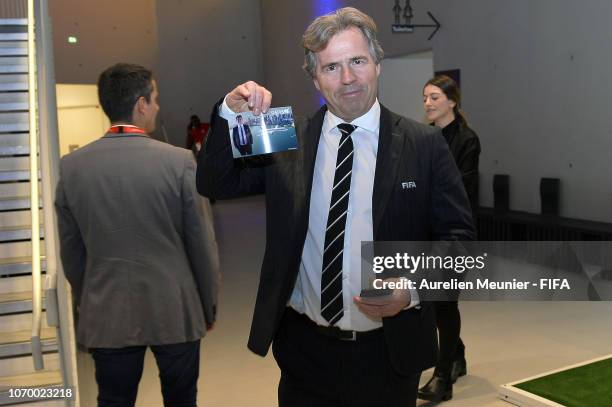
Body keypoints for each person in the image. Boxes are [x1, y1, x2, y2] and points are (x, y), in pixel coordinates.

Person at [198, 7, 474, 407]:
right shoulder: (285, 134)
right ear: (315, 77)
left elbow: (460, 242)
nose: (347, 79)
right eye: (331, 67)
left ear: (377, 64)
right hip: (304, 351)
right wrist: (228, 114)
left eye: (357, 61)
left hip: (389, 353)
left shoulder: (423, 145)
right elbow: (214, 182)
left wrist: (411, 289)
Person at [55, 63, 220, 407]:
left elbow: (72, 254)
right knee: (181, 399)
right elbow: (202, 244)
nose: (158, 106)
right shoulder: (180, 163)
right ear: (141, 104)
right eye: (155, 99)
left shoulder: (71, 168)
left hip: (107, 314)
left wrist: (91, 297)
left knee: (114, 400)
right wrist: (208, 306)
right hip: (175, 308)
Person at [418, 74, 481, 402]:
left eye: (434, 98)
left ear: (452, 101)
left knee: (444, 302)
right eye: (425, 97)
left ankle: (443, 377)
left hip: (454, 235)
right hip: (426, 235)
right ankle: (457, 355)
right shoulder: (424, 137)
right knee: (433, 304)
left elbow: (462, 191)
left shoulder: (467, 140)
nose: (427, 103)